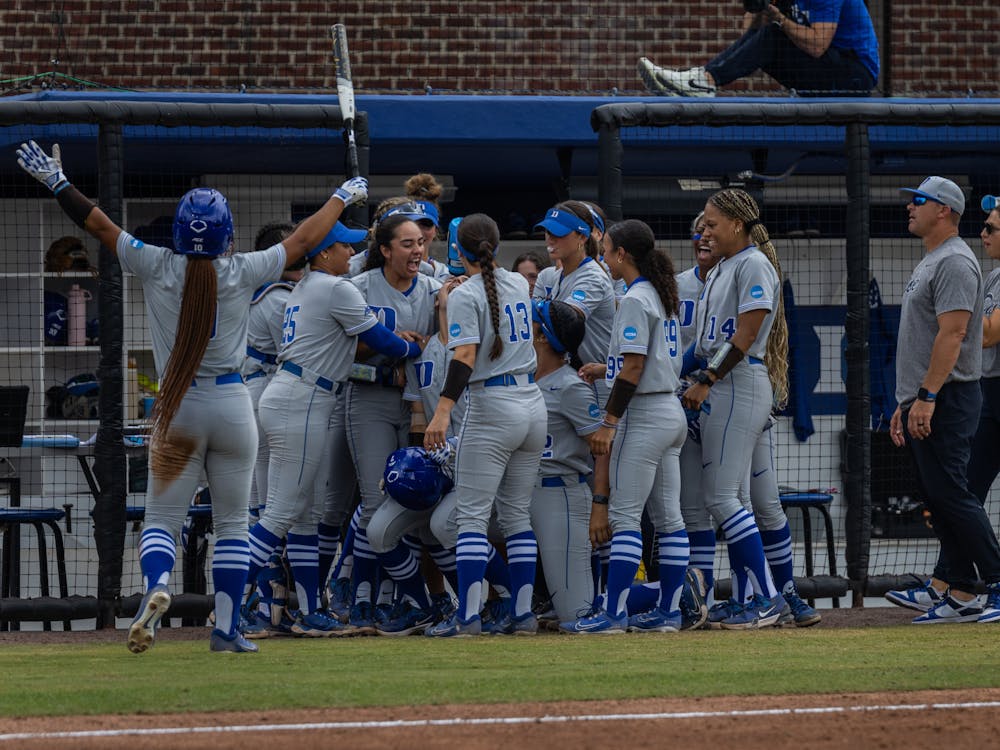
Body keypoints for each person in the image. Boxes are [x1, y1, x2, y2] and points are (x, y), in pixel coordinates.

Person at [15, 139, 369, 652]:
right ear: (227, 236)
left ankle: (158, 587)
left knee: (161, 519)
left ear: (179, 233)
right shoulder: (243, 269)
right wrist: (340, 195)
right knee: (231, 526)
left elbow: (97, 223)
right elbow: (302, 242)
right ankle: (226, 631)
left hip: (178, 405)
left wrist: (57, 183)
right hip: (232, 406)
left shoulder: (156, 263)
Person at [244, 221, 424, 638]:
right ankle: (234, 603)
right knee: (281, 513)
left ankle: (309, 612)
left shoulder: (308, 284)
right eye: (344, 246)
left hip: (294, 394)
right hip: (302, 398)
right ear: (323, 252)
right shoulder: (335, 287)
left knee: (303, 515)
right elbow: (386, 342)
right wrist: (416, 346)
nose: (352, 252)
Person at [560, 219, 688, 634]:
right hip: (669, 411)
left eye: (607, 249)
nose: (604, 256)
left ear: (622, 255)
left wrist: (609, 422)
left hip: (645, 415)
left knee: (625, 515)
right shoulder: (658, 292)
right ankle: (669, 611)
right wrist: (605, 369)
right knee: (670, 520)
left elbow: (634, 366)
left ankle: (613, 613)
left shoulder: (635, 297)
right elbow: (637, 361)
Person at [423, 213, 546, 637]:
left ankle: (468, 617)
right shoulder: (515, 282)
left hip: (493, 404)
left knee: (473, 518)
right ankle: (524, 614)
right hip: (532, 401)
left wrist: (441, 411)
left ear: (458, 251)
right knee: (516, 517)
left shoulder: (467, 293)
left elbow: (464, 359)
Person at [886, 178, 1000, 624]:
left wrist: (928, 396)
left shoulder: (955, 261)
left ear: (944, 211)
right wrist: (907, 399)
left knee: (954, 493)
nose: (909, 208)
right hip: (929, 395)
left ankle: (993, 580)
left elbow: (954, 336)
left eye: (918, 201)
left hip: (950, 395)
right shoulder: (934, 260)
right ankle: (961, 591)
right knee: (941, 494)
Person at [679, 188, 786, 630]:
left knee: (722, 497)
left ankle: (768, 598)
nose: (705, 229)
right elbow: (701, 345)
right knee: (724, 497)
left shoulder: (753, 263)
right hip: (723, 381)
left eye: (712, 223)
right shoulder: (723, 267)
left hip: (739, 381)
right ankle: (755, 597)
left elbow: (745, 334)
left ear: (736, 225)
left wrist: (706, 380)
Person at [345, 213, 441, 632]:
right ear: (384, 250)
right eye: (406, 244)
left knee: (416, 504)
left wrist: (423, 347)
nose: (417, 250)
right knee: (373, 502)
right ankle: (363, 599)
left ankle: (401, 600)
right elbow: (344, 353)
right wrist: (394, 345)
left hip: (419, 406)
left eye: (419, 242)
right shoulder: (358, 287)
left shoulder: (436, 290)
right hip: (369, 399)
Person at [529, 299, 602, 624]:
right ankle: (509, 602)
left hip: (560, 494)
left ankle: (673, 590)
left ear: (543, 336)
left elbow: (603, 449)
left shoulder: (573, 387)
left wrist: (600, 504)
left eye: (532, 320)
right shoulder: (519, 378)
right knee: (446, 525)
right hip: (518, 494)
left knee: (577, 615)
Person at [638, 0, 878, 97]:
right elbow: (750, 37)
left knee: (775, 33)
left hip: (855, 75)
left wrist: (780, 19)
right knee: (767, 34)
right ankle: (701, 79)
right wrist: (762, 7)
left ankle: (704, 81)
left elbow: (817, 45)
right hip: (829, 67)